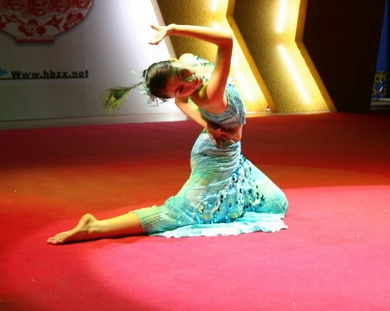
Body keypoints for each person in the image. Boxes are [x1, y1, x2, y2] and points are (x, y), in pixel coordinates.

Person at [47, 23, 288, 244]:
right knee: (180, 212)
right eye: (180, 88)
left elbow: (181, 101)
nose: (190, 81)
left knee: (276, 202)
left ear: (175, 61)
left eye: (182, 74)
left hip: (226, 149)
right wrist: (174, 29)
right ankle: (96, 227)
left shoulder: (188, 59)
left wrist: (207, 125)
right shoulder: (209, 95)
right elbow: (226, 40)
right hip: (217, 157)